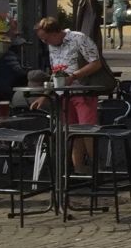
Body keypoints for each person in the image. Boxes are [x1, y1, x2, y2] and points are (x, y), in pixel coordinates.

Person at [34, 16, 111, 174]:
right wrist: (45, 94)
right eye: (42, 40)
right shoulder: (52, 46)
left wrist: (74, 76)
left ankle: (97, 167)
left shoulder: (78, 38)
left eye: (46, 38)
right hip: (64, 94)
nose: (45, 42)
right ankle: (79, 169)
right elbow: (56, 73)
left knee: (87, 130)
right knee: (72, 131)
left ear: (56, 32)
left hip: (83, 90)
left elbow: (96, 63)